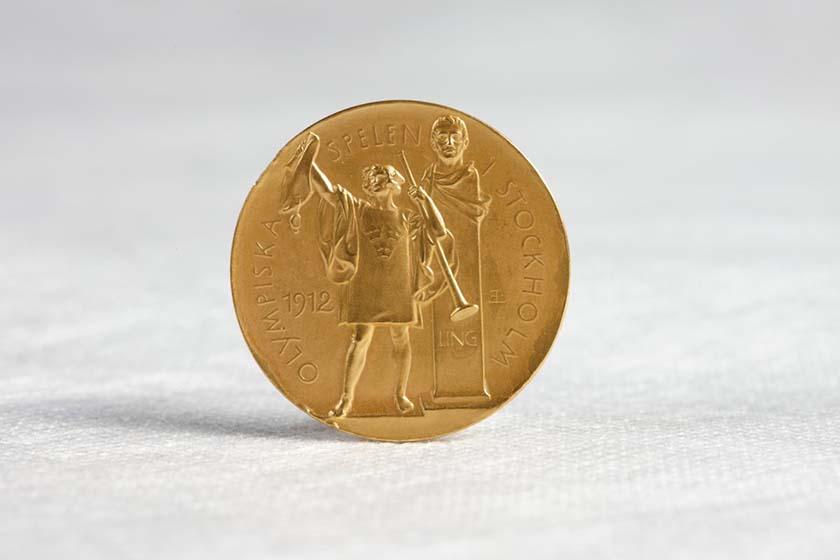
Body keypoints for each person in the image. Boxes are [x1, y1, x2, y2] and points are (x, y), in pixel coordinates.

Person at [288, 133, 454, 418]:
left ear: (394, 185)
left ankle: (400, 394)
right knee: (360, 338)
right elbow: (328, 192)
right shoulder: (358, 210)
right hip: (366, 285)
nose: (377, 183)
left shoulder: (407, 218)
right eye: (374, 180)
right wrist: (308, 164)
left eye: (383, 178)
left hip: (399, 286)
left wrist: (426, 200)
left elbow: (439, 231)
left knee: (400, 336)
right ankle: (346, 399)